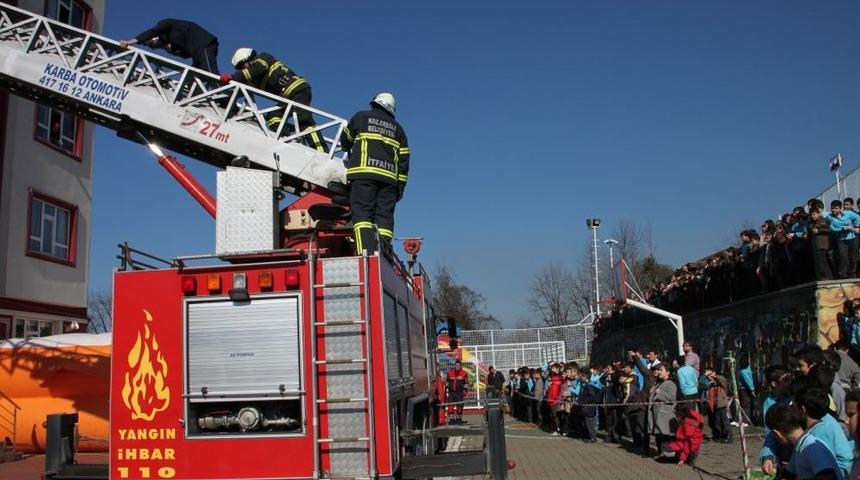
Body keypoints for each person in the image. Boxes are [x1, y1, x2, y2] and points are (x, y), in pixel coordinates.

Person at [340, 93, 409, 254]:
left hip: (364, 175)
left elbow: (345, 141)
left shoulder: (361, 117)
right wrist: (400, 189)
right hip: (389, 182)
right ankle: (382, 255)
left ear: (374, 104)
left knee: (363, 214)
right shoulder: (399, 130)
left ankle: (365, 254)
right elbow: (404, 163)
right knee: (384, 220)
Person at [221, 48, 325, 151]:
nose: (243, 69)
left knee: (303, 120)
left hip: (297, 89)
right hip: (287, 99)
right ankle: (287, 141)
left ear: (248, 59)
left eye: (243, 65)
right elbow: (242, 89)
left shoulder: (263, 58)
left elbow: (256, 70)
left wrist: (233, 77)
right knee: (274, 116)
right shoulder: (256, 79)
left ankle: (322, 151)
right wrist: (225, 95)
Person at [765, 404, 845, 480]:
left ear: (777, 433)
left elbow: (828, 476)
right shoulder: (799, 447)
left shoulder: (812, 447)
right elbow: (788, 474)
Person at [120, 19, 219, 73]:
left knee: (209, 73)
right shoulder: (175, 42)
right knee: (195, 75)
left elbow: (151, 32)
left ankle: (225, 101)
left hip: (204, 44)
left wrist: (129, 42)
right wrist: (170, 50)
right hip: (197, 51)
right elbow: (186, 55)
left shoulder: (166, 24)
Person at [795, 388, 854, 478]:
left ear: (802, 410)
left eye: (794, 406)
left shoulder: (819, 432)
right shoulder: (824, 420)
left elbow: (825, 469)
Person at [657, 403, 704, 467]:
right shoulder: (693, 415)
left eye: (676, 413)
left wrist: (682, 458)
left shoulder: (687, 424)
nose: (675, 414)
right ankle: (687, 456)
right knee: (665, 446)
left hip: (689, 446)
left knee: (664, 448)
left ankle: (682, 457)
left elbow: (687, 443)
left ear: (681, 413)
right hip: (695, 444)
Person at [648, 363, 677, 454]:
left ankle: (668, 455)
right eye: (659, 370)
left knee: (666, 436)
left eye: (661, 370)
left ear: (667, 372)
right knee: (660, 435)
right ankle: (662, 453)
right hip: (658, 414)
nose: (659, 372)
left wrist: (659, 393)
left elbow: (672, 397)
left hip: (664, 415)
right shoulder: (660, 383)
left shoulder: (670, 383)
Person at [705, 368, 732, 443]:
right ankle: (719, 436)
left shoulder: (721, 382)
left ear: (714, 373)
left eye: (710, 374)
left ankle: (728, 436)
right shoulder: (711, 385)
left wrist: (714, 376)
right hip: (714, 406)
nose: (709, 376)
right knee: (717, 423)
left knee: (724, 422)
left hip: (722, 405)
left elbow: (722, 379)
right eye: (708, 375)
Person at [809, 208, 834, 281]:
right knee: (821, 261)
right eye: (812, 215)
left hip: (823, 243)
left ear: (819, 214)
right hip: (818, 244)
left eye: (814, 214)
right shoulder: (813, 223)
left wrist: (819, 230)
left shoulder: (823, 220)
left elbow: (829, 230)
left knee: (823, 261)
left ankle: (828, 277)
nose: (813, 216)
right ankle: (825, 276)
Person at [446, 360, 469, 425]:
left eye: (458, 365)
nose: (457, 367)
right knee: (450, 407)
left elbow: (466, 383)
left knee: (459, 407)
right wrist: (448, 389)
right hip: (451, 392)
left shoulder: (464, 373)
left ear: (461, 366)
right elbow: (447, 382)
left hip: (459, 393)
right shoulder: (450, 373)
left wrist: (465, 391)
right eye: (456, 365)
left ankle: (459, 420)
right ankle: (452, 420)